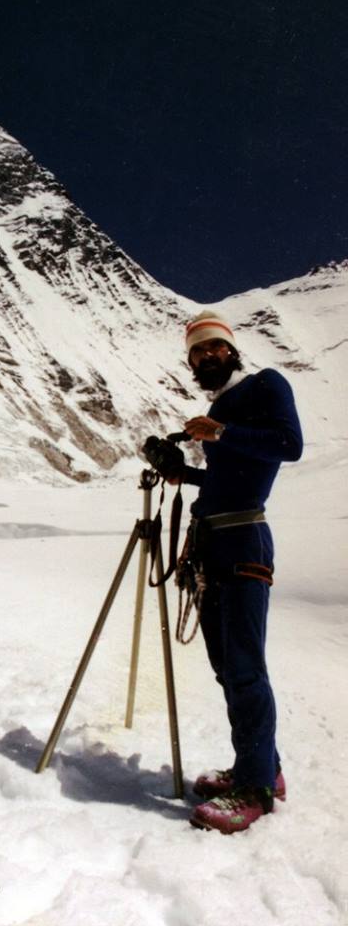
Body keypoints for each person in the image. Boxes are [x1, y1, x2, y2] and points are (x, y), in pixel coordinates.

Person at [174, 309, 303, 833]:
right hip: (213, 542)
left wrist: (221, 432)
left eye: (213, 347)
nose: (206, 356)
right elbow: (222, 481)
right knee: (229, 667)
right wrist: (178, 470)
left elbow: (288, 445)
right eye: (197, 351)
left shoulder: (265, 386)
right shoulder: (222, 405)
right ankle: (263, 769)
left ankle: (253, 791)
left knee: (245, 667)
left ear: (231, 348)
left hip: (245, 538)